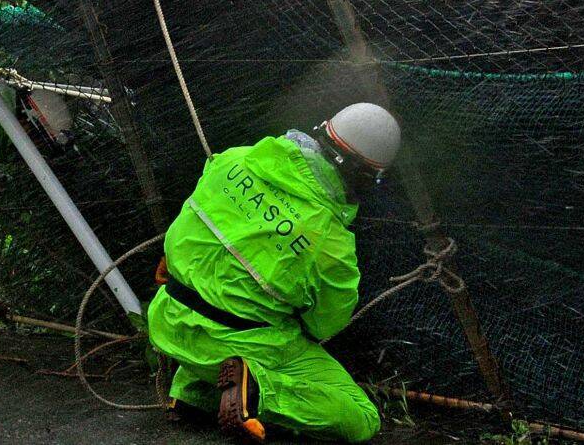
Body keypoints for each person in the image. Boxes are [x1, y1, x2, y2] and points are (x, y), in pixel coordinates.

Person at [147, 102, 402, 443]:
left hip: (165, 318)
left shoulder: (235, 159)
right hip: (231, 344)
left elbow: (191, 222)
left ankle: (194, 393)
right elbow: (324, 324)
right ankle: (255, 393)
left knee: (227, 309)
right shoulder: (331, 242)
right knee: (361, 417)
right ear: (366, 176)